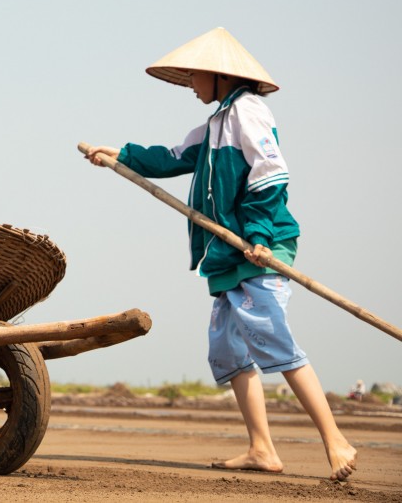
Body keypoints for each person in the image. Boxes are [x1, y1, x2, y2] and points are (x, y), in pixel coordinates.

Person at [83, 27, 358, 481]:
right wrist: (120, 155)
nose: (190, 84)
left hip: (256, 247)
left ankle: (336, 439)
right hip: (229, 253)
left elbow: (271, 174)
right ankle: (262, 448)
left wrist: (260, 236)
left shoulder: (248, 111)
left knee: (272, 335)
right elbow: (172, 157)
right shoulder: (215, 125)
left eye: (195, 76)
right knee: (227, 349)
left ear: (219, 76)